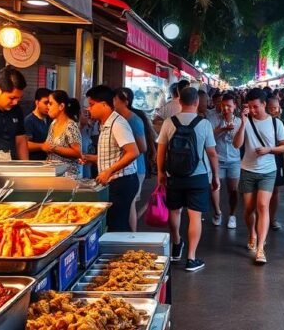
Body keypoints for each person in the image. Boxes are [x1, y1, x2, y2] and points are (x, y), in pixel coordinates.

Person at [156, 87, 220, 271]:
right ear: (197, 102)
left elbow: (161, 151)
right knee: (195, 216)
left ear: (179, 102)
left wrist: (161, 173)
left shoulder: (169, 122)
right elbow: (212, 153)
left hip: (173, 175)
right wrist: (215, 176)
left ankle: (176, 245)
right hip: (198, 176)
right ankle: (191, 258)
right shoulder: (204, 124)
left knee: (174, 212)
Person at [238, 88, 284, 264]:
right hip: (247, 169)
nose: (252, 110)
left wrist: (269, 150)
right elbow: (237, 144)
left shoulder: (276, 124)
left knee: (262, 206)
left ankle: (260, 248)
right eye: (250, 107)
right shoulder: (244, 121)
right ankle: (251, 233)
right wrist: (243, 123)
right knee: (248, 209)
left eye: (255, 107)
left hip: (268, 170)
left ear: (264, 104)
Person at [83, 85, 141, 232]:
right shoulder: (105, 124)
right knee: (116, 223)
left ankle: (123, 253)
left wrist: (108, 171)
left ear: (103, 104)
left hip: (122, 183)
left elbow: (133, 152)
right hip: (117, 182)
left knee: (117, 225)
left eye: (91, 105)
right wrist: (91, 158)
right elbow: (113, 155)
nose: (89, 109)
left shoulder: (117, 124)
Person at [26, 90, 82, 178]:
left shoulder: (70, 126)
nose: (48, 107)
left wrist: (54, 148)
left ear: (61, 106)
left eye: (51, 104)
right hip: (52, 174)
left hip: (68, 176)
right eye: (47, 103)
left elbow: (77, 153)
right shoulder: (53, 123)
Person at [115, 87, 149, 231]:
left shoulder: (134, 121)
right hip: (127, 167)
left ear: (125, 102)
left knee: (131, 203)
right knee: (128, 203)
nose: (113, 103)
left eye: (115, 100)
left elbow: (143, 147)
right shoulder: (120, 119)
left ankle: (132, 235)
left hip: (136, 167)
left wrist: (126, 154)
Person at [209, 93, 244, 228]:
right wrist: (222, 129)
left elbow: (239, 144)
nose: (226, 109)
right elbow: (208, 137)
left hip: (234, 160)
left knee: (233, 190)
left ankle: (232, 215)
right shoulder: (213, 119)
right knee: (215, 187)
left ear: (235, 106)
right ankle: (218, 212)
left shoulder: (239, 121)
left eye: (229, 106)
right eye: (223, 106)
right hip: (217, 159)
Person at [266, 95, 284, 231]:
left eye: (276, 108)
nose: (274, 110)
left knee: (275, 190)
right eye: (271, 108)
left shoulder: (278, 123)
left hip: (276, 159)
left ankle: (272, 218)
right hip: (260, 160)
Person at [24, 88, 53, 161]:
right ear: (37, 102)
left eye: (50, 103)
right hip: (35, 162)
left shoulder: (50, 119)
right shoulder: (29, 120)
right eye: (45, 103)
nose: (48, 106)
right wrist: (41, 146)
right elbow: (24, 144)